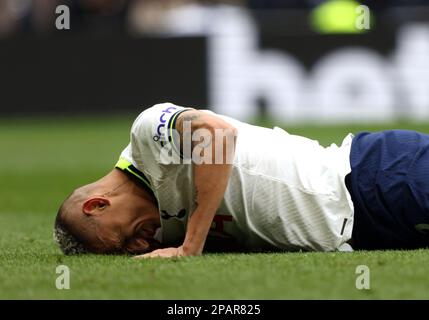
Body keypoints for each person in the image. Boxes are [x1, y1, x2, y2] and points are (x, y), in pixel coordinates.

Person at [53, 102, 429, 258]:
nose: (137, 247)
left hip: (371, 175)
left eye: (122, 241)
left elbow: (217, 134)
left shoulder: (147, 135)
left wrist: (191, 247)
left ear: (97, 204)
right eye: (125, 252)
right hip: (366, 232)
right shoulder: (161, 235)